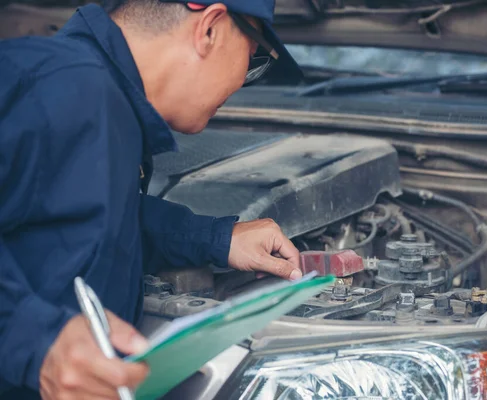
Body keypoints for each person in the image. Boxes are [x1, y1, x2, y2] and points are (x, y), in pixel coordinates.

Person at [0, 0, 305, 398]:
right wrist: (37, 343)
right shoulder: (50, 85)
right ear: (210, 27)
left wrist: (212, 237)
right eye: (252, 59)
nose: (241, 83)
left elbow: (77, 223)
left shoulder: (98, 101)